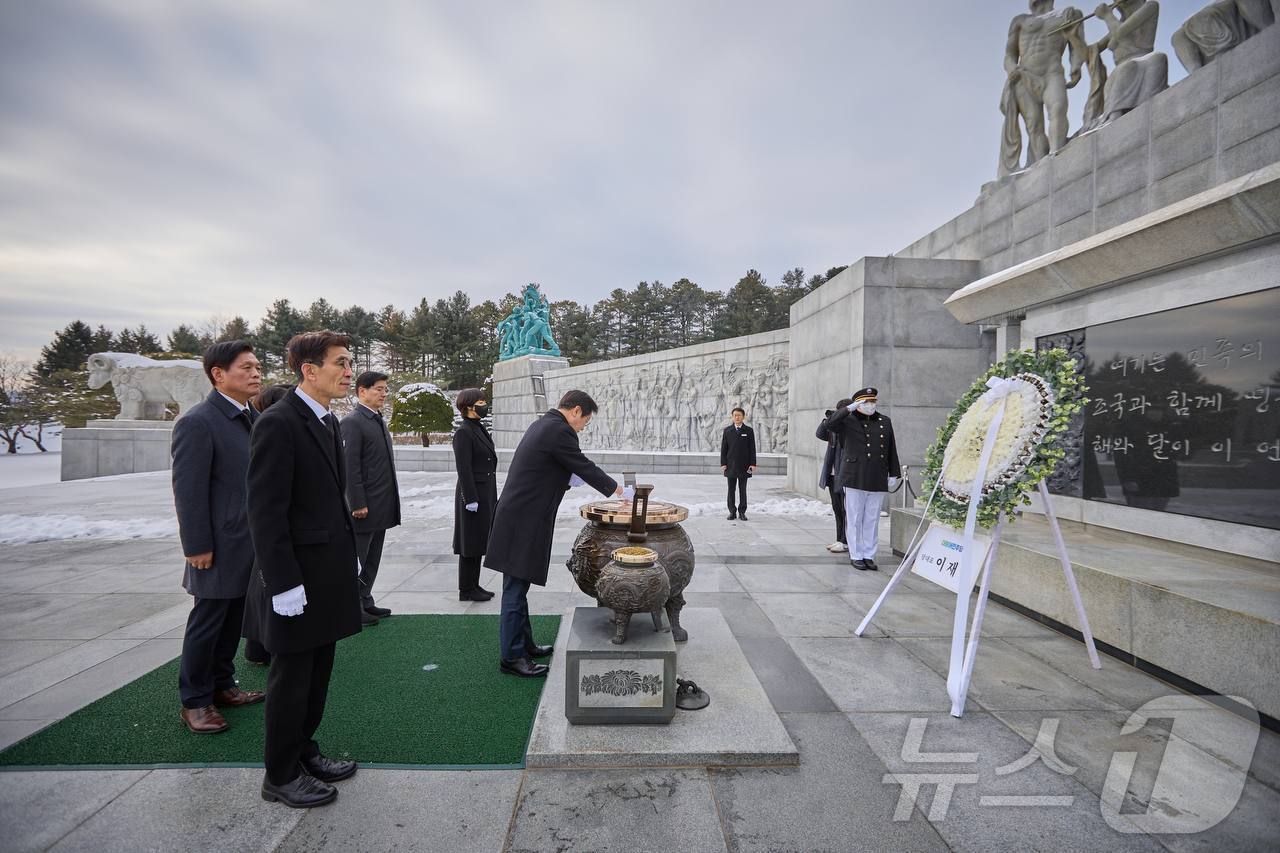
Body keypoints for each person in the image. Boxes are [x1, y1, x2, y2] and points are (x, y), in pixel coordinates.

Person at [248, 331, 362, 808]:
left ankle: (303, 751)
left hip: (326, 572)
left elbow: (327, 498)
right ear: (308, 370)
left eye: (350, 362)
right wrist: (284, 583)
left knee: (318, 673)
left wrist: (346, 550)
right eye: (340, 362)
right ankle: (279, 773)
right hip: (297, 577)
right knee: (292, 679)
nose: (349, 371)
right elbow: (265, 511)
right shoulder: (279, 422)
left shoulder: (326, 421)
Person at [484, 390, 625, 678]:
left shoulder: (544, 424)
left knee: (519, 584)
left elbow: (559, 466)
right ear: (575, 411)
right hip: (522, 520)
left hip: (520, 516)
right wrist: (620, 491)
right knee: (514, 588)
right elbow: (583, 465)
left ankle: (525, 644)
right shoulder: (559, 431)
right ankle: (511, 657)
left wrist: (565, 477)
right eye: (585, 420)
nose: (584, 426)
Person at [171, 340, 266, 734]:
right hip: (217, 545)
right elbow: (188, 490)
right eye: (246, 367)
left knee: (232, 620)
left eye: (258, 366)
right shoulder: (198, 422)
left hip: (249, 541)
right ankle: (195, 701)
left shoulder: (250, 417)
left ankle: (224, 685)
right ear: (218, 374)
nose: (256, 373)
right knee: (208, 620)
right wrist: (196, 545)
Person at [998, 0, 1088, 177]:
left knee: (1058, 109)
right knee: (1034, 126)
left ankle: (1056, 154)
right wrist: (1011, 68)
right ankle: (1041, 170)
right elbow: (1009, 54)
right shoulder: (1020, 21)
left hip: (1052, 72)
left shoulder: (1068, 14)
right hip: (1025, 76)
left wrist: (1076, 66)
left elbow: (1077, 48)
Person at [241, 383, 295, 668]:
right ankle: (260, 645)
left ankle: (258, 646)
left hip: (270, 521)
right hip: (267, 523)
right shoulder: (272, 427)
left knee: (263, 586)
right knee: (267, 586)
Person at [341, 371, 401, 626]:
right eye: (378, 389)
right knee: (358, 558)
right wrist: (357, 502)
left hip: (381, 503)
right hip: (364, 507)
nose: (383, 394)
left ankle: (365, 599)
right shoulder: (353, 422)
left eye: (385, 389)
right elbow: (350, 466)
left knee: (373, 557)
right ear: (361, 391)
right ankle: (351, 606)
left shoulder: (377, 420)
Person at [824, 388, 901, 571]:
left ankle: (869, 554)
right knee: (855, 517)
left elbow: (891, 448)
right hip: (854, 475)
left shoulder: (884, 421)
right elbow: (829, 425)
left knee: (872, 519)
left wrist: (893, 472)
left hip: (877, 475)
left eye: (873, 401)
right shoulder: (847, 421)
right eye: (866, 402)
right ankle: (856, 554)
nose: (870, 405)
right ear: (857, 404)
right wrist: (848, 409)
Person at [452, 387, 497, 602]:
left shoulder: (477, 427)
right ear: (469, 405)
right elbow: (464, 468)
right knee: (469, 542)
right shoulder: (464, 432)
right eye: (480, 401)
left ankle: (474, 585)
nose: (483, 404)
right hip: (472, 495)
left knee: (478, 541)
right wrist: (470, 498)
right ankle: (466, 589)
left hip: (484, 493)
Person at [816, 399, 853, 554]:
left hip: (843, 475)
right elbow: (819, 434)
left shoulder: (850, 427)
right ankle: (839, 539)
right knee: (837, 509)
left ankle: (846, 541)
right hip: (832, 474)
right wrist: (827, 420)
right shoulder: (833, 427)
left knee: (846, 510)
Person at [720, 407, 757, 520]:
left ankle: (742, 512)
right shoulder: (727, 430)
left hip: (744, 465)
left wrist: (753, 464)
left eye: (739, 415)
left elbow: (752, 448)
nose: (737, 417)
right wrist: (723, 463)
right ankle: (732, 511)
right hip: (730, 465)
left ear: (743, 417)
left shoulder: (748, 430)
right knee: (731, 490)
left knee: (742, 489)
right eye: (735, 415)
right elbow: (723, 449)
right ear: (732, 417)